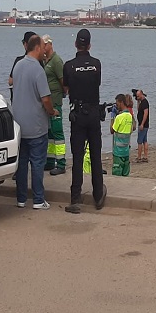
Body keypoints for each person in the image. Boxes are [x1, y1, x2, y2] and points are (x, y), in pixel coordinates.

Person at [11, 35, 58, 210]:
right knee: (37, 163)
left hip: (19, 123)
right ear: (37, 48)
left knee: (22, 163)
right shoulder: (38, 70)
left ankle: (21, 198)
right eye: (42, 47)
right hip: (36, 125)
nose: (44, 50)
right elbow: (45, 98)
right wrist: (52, 111)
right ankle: (38, 199)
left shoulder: (18, 66)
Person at [62, 29, 106, 213]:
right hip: (94, 113)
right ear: (89, 45)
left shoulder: (69, 66)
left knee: (78, 157)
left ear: (76, 45)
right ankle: (97, 195)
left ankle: (75, 198)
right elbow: (97, 84)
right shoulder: (96, 64)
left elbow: (66, 89)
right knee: (96, 156)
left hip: (78, 114)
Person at [41, 34, 67, 175]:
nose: (43, 48)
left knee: (57, 133)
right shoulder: (46, 61)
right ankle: (50, 161)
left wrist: (62, 94)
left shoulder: (56, 61)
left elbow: (63, 81)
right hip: (48, 102)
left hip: (55, 101)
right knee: (50, 133)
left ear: (50, 44)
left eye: (44, 45)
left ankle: (61, 163)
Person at [110, 94, 135, 176]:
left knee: (117, 175)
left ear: (121, 102)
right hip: (126, 151)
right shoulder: (129, 116)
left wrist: (112, 117)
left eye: (117, 104)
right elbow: (132, 128)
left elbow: (112, 130)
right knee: (126, 175)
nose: (117, 106)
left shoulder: (119, 117)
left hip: (118, 152)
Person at [8, 31, 37, 101]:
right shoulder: (39, 62)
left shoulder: (19, 61)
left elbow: (10, 81)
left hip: (19, 100)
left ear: (25, 44)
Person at [134, 89, 150, 163]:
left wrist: (142, 124)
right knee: (144, 140)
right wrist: (137, 101)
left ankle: (139, 157)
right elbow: (139, 110)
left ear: (141, 94)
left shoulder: (145, 102)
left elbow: (145, 114)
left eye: (138, 96)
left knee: (140, 141)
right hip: (143, 124)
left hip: (143, 125)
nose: (137, 97)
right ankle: (145, 156)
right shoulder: (141, 102)